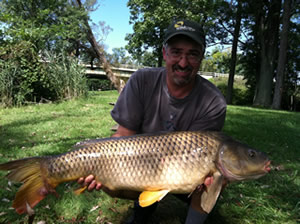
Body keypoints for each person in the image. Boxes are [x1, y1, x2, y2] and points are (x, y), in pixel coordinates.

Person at [78, 19, 227, 224]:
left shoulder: (213, 101)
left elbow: (204, 151)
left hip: (186, 173)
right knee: (109, 178)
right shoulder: (142, 80)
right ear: (165, 53)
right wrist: (97, 166)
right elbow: (123, 136)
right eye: (176, 52)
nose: (183, 62)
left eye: (192, 54)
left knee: (214, 179)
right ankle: (142, 214)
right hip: (142, 165)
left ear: (201, 57)